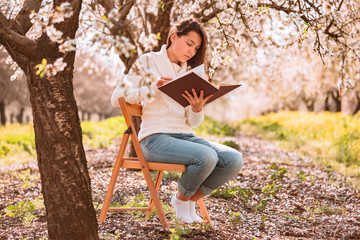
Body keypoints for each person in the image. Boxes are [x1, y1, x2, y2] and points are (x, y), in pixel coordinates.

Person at [111, 18, 244, 224]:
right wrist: (150, 89)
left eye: (196, 48)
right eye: (189, 43)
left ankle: (183, 200)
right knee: (207, 156)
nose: (192, 51)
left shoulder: (189, 72)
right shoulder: (148, 61)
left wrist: (197, 108)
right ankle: (183, 203)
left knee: (233, 160)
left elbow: (192, 123)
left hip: (185, 137)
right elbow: (116, 96)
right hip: (154, 139)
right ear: (174, 37)